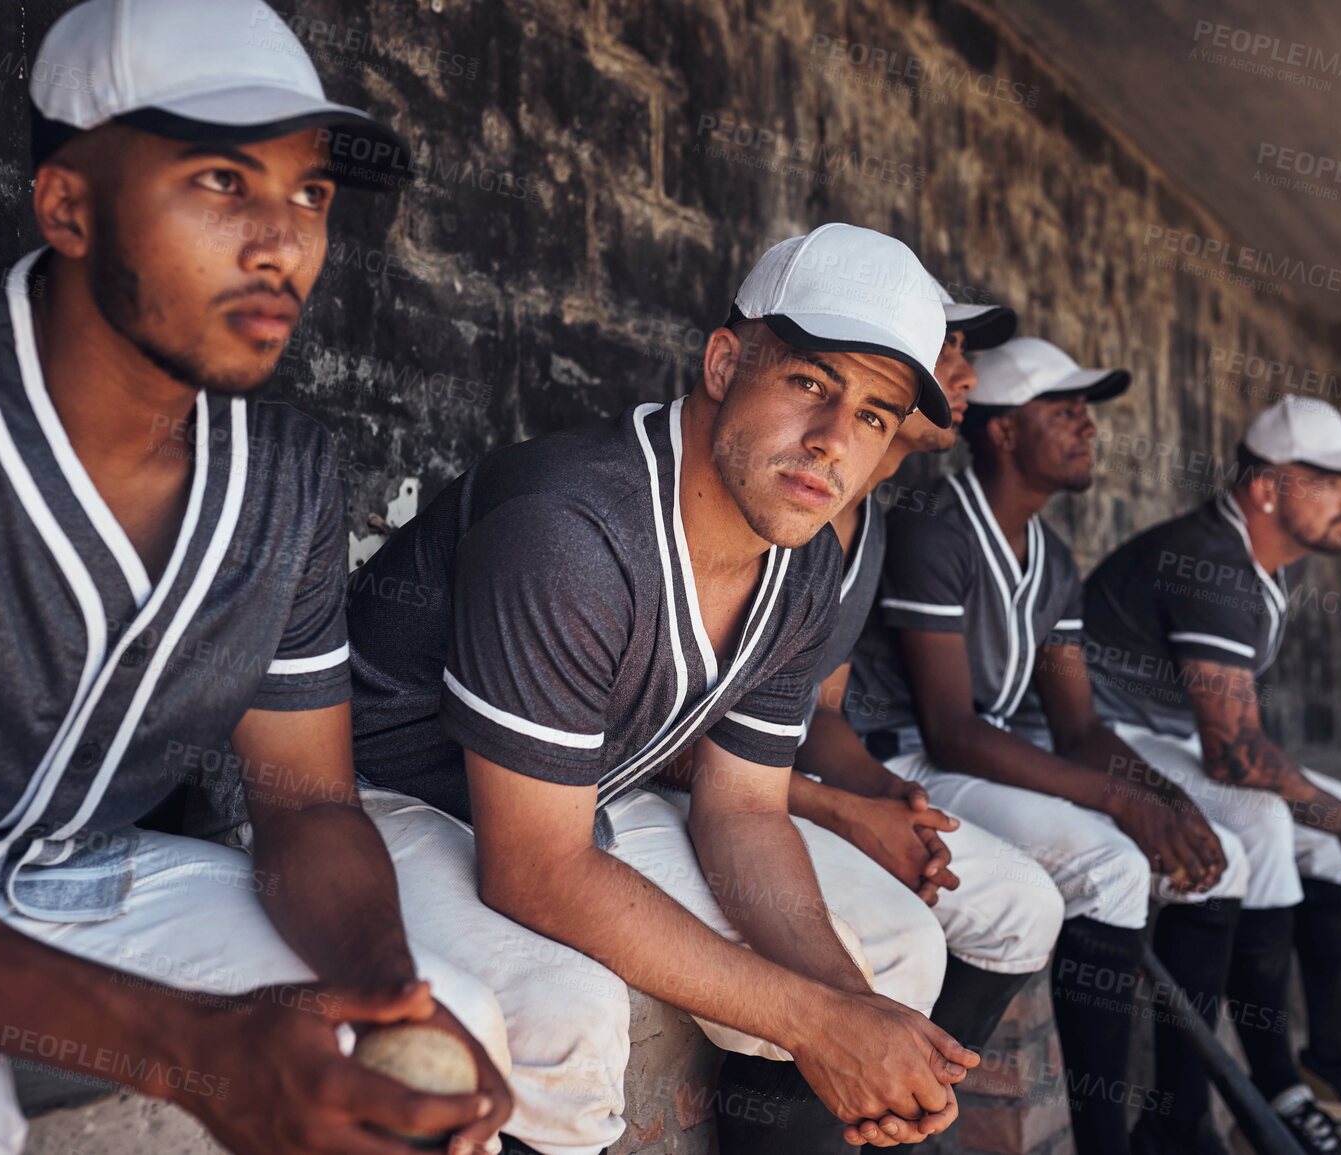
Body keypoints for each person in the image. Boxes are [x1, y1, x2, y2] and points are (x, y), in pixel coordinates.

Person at [0, 3, 513, 1154]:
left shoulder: (287, 472)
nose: (282, 244)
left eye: (309, 194)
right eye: (220, 180)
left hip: (92, 875)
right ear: (68, 204)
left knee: (449, 1051)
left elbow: (304, 803)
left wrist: (382, 982)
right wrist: (192, 1048)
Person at [345, 223, 979, 1155]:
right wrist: (815, 1022)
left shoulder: (795, 551)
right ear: (725, 362)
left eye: (875, 416)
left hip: (572, 793)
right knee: (564, 1019)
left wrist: (851, 1016)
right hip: (370, 797)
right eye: (811, 383)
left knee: (885, 963)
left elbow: (743, 814)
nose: (833, 443)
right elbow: (536, 869)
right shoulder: (568, 523)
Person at [847, 336, 1249, 1154]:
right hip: (897, 763)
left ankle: (1178, 1124)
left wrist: (1166, 802)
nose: (1085, 425)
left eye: (1085, 411)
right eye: (1061, 409)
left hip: (970, 758)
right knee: (1105, 863)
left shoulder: (1055, 560)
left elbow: (1080, 727)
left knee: (1218, 853)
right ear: (1000, 431)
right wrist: (1120, 801)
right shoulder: (937, 531)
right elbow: (951, 731)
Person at [1083, 396, 1341, 1153]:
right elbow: (1233, 754)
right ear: (1266, 488)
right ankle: (1268, 1091)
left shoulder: (1266, 563)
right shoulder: (1214, 561)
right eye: (1328, 480)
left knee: (1330, 813)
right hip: (1089, 740)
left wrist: (1337, 817)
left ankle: (1331, 1061)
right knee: (1273, 818)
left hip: (1152, 736)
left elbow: (1232, 740)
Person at [768, 292, 1068, 1062]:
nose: (965, 373)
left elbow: (822, 709)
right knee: (902, 943)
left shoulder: (864, 519)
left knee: (1022, 903)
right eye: (947, 345)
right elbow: (685, 736)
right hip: (709, 791)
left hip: (782, 778)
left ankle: (909, 1117)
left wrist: (887, 796)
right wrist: (842, 810)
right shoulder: (778, 499)